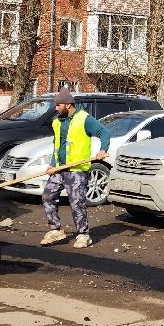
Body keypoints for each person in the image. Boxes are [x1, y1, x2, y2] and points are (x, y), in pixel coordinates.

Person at [39, 87, 110, 249]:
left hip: (77, 170)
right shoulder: (57, 122)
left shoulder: (84, 119)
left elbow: (104, 132)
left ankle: (84, 235)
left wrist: (103, 149)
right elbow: (57, 146)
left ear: (68, 104)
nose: (56, 108)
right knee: (48, 197)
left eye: (58, 105)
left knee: (77, 203)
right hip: (59, 169)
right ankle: (55, 230)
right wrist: (52, 164)